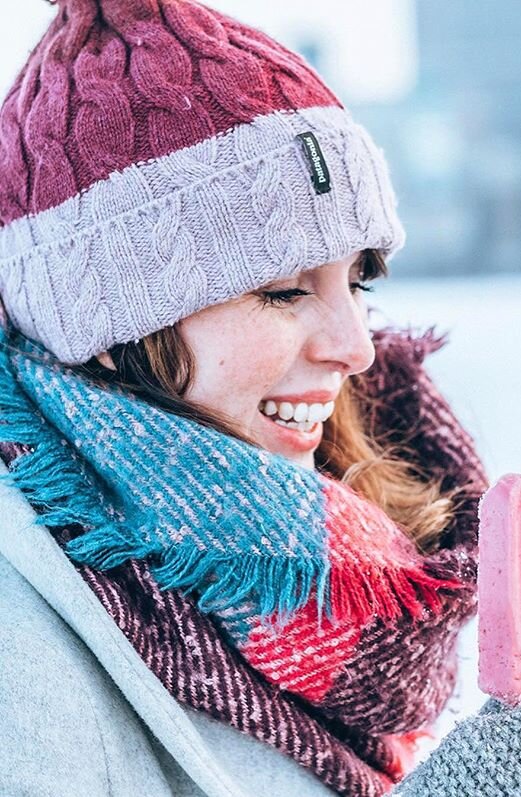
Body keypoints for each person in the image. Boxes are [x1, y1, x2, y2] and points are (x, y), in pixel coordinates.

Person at [0, 1, 490, 795]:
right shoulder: (20, 638)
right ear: (107, 322)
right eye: (285, 291)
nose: (357, 346)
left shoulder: (377, 529)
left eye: (357, 280)